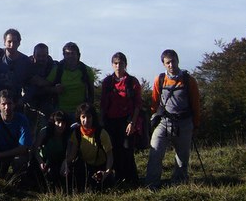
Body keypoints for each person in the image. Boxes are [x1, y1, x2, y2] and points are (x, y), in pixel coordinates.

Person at [145, 49, 201, 191]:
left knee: (182, 157)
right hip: (164, 122)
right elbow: (154, 102)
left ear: (178, 60)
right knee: (155, 152)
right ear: (164, 64)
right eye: (167, 63)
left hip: (184, 122)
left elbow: (196, 104)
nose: (171, 65)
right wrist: (154, 117)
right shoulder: (160, 79)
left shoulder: (189, 80)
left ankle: (179, 183)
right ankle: (152, 184)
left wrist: (196, 124)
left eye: (173, 61)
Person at [100, 52, 143, 186]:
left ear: (126, 64)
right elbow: (103, 103)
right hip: (110, 120)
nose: (118, 66)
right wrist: (101, 120)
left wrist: (132, 122)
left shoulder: (132, 81)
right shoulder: (107, 82)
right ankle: (118, 180)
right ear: (112, 65)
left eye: (121, 63)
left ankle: (132, 180)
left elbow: (138, 104)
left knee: (127, 149)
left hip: (127, 120)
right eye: (116, 63)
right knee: (113, 149)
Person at [0, 89, 32, 180]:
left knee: (20, 161)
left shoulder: (22, 119)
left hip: (13, 153)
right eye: (3, 104)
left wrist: (0, 155)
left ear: (14, 105)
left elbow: (23, 148)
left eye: (9, 104)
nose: (7, 107)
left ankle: (17, 182)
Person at [66, 103, 114, 191]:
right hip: (85, 166)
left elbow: (110, 156)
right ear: (79, 118)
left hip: (100, 167)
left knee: (98, 186)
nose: (86, 120)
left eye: (89, 117)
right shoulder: (76, 133)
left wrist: (106, 172)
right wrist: (65, 164)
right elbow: (72, 155)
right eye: (83, 117)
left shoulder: (101, 133)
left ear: (93, 118)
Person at [47, 42, 94, 121]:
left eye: (73, 53)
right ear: (64, 55)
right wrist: (54, 89)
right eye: (67, 54)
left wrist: (89, 109)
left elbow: (91, 92)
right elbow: (46, 86)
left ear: (78, 55)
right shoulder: (57, 69)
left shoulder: (86, 70)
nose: (70, 56)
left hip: (80, 112)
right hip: (60, 112)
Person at [33, 110, 73, 191]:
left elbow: (69, 153)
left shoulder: (68, 135)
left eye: (63, 123)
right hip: (44, 160)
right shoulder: (45, 132)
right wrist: (40, 162)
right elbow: (35, 149)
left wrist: (65, 164)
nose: (61, 125)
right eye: (58, 122)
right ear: (53, 122)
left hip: (59, 162)